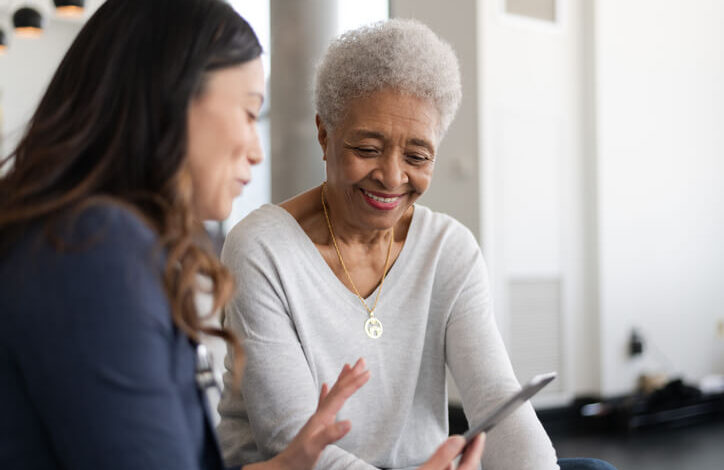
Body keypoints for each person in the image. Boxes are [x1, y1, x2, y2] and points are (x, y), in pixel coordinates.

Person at [217, 19, 617, 470]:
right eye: (367, 149)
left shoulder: (449, 249)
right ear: (324, 134)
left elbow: (497, 402)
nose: (391, 177)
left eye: (417, 157)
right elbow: (290, 442)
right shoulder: (262, 249)